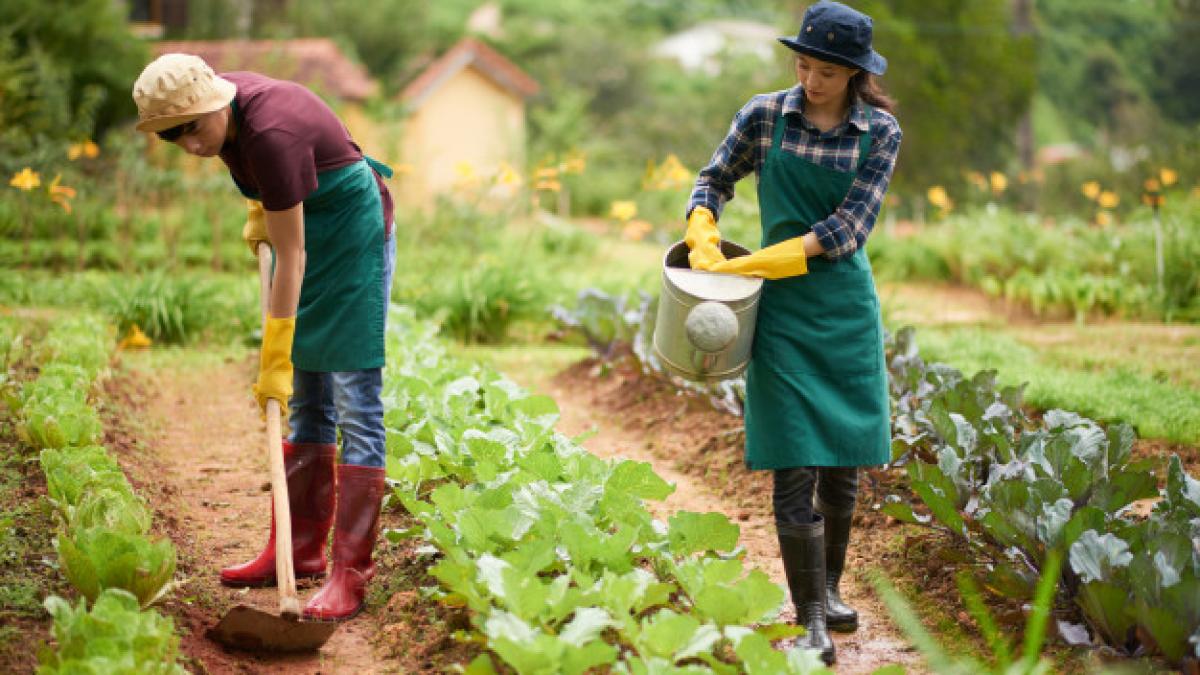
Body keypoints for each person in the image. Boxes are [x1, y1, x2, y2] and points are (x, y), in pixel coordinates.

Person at [132, 53, 397, 621]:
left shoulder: (270, 132)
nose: (191, 146)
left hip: (349, 232)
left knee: (354, 399)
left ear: (216, 104)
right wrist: (263, 209)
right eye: (173, 137)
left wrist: (274, 352)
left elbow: (293, 256)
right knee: (307, 401)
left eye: (194, 129)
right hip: (305, 223)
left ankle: (349, 574)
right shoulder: (229, 113)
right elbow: (280, 212)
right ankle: (296, 551)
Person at [683, 1, 901, 665]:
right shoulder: (763, 115)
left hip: (840, 309)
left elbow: (845, 232)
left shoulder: (879, 133)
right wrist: (702, 225)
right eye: (803, 63)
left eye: (826, 72)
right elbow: (714, 177)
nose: (810, 79)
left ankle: (830, 590)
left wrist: (752, 262)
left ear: (855, 75)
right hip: (777, 315)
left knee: (841, 462)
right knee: (792, 460)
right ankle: (807, 615)